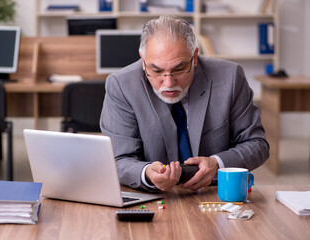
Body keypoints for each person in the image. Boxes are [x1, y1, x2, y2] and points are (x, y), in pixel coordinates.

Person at [100, 15, 269, 192]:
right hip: (152, 196)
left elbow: (257, 145)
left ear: (194, 57)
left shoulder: (230, 77)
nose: (169, 83)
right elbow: (117, 159)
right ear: (143, 61)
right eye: (156, 71)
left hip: (215, 193)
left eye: (179, 69)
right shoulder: (121, 85)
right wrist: (146, 172)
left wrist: (217, 164)